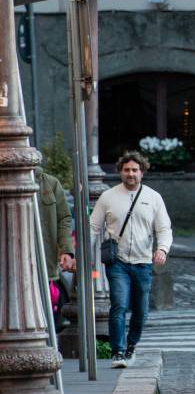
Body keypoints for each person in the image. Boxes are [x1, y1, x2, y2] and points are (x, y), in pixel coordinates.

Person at [90, 151, 172, 369]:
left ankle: (131, 347)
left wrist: (162, 249)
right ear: (120, 172)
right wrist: (81, 256)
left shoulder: (153, 198)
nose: (131, 174)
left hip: (143, 263)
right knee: (119, 304)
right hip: (118, 262)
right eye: (126, 170)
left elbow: (164, 228)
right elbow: (93, 227)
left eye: (135, 170)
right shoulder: (108, 197)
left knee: (141, 311)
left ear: (142, 172)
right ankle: (117, 352)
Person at [35, 165, 74, 329]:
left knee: (44, 305)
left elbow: (64, 218)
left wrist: (66, 250)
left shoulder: (50, 183)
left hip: (44, 257)